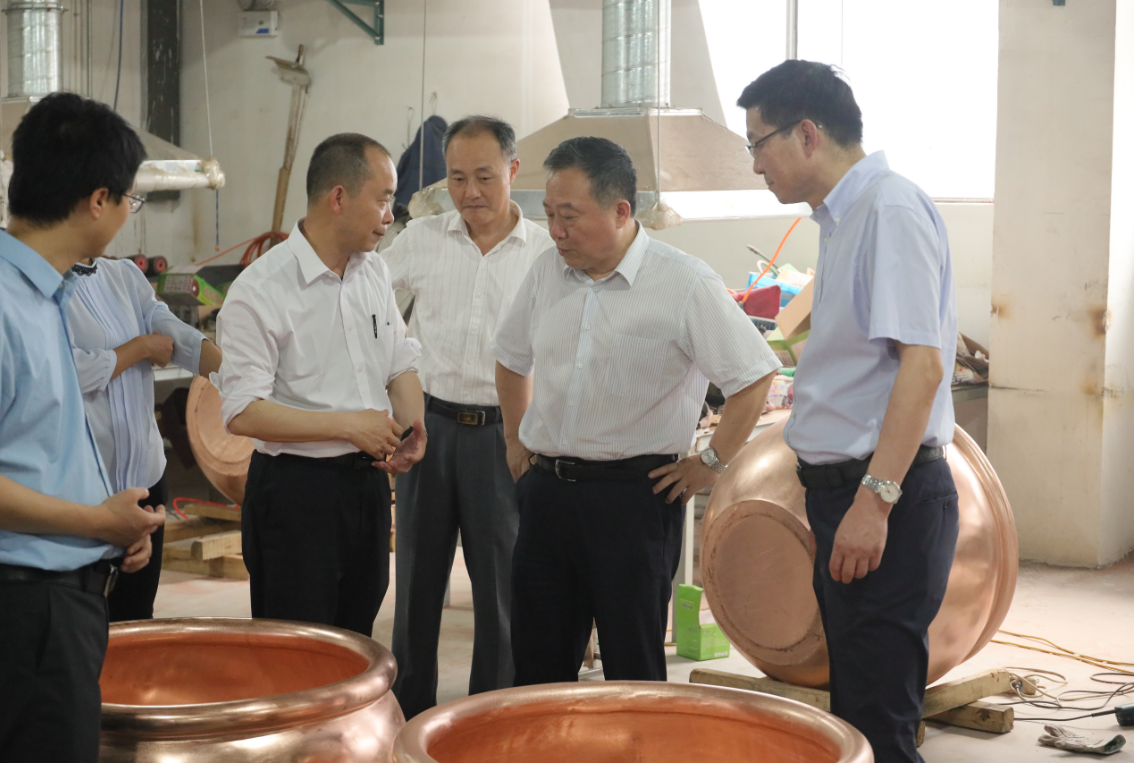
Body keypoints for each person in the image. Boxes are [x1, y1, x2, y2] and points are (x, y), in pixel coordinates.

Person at [493, 136, 780, 685]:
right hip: (547, 494)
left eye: (569, 216)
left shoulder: (684, 282)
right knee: (538, 664)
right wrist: (513, 440)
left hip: (633, 500)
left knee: (633, 667)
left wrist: (711, 462)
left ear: (621, 211)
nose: (556, 231)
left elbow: (753, 375)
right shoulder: (546, 272)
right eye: (550, 215)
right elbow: (510, 358)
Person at [738, 60, 959, 763]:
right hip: (850, 493)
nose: (755, 165)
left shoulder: (888, 210)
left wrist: (875, 500)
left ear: (807, 134)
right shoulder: (843, 217)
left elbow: (921, 366)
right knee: (859, 706)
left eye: (758, 143)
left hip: (885, 494)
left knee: (880, 719)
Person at [0, 92, 165, 762]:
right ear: (99, 201)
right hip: (23, 613)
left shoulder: (46, 294)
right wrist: (94, 523)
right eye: (130, 200)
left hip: (63, 601)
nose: (126, 214)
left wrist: (108, 528)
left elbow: (31, 449)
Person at [216, 133, 426, 636]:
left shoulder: (373, 272)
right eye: (382, 199)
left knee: (356, 638)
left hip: (367, 486)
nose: (389, 216)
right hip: (297, 494)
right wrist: (347, 426)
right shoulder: (261, 290)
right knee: (299, 648)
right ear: (338, 198)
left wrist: (413, 425)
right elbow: (243, 411)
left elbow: (399, 362)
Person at [382, 115, 555, 719]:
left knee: (502, 590)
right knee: (416, 587)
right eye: (456, 178)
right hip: (426, 430)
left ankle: (490, 722)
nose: (470, 192)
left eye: (484, 176)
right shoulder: (421, 239)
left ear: (512, 170)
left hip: (505, 437)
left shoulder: (544, 253)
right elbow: (365, 300)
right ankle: (406, 718)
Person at [66, 248, 223, 622]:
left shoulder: (123, 275)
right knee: (85, 626)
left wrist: (236, 375)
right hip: (85, 493)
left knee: (136, 620)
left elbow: (167, 329)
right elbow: (66, 373)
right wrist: (139, 348)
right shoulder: (42, 285)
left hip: (144, 483)